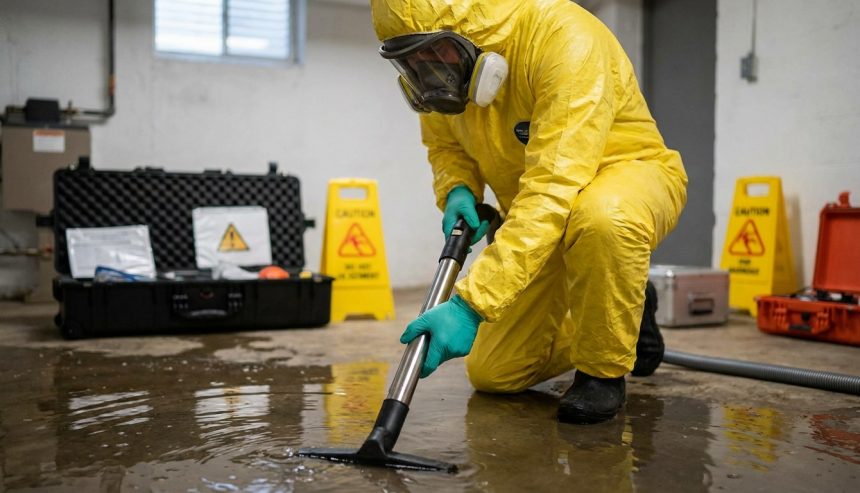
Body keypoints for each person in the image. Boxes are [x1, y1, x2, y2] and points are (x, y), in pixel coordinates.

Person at [372, 0, 688, 424]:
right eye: (412, 58)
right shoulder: (449, 75)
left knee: (601, 217)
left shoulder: (564, 38)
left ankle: (603, 373)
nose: (426, 67)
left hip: (625, 177)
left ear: (470, 31)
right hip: (535, 205)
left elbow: (554, 186)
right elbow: (445, 145)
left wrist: (471, 304)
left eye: (433, 51)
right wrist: (458, 190)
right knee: (495, 373)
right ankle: (624, 306)